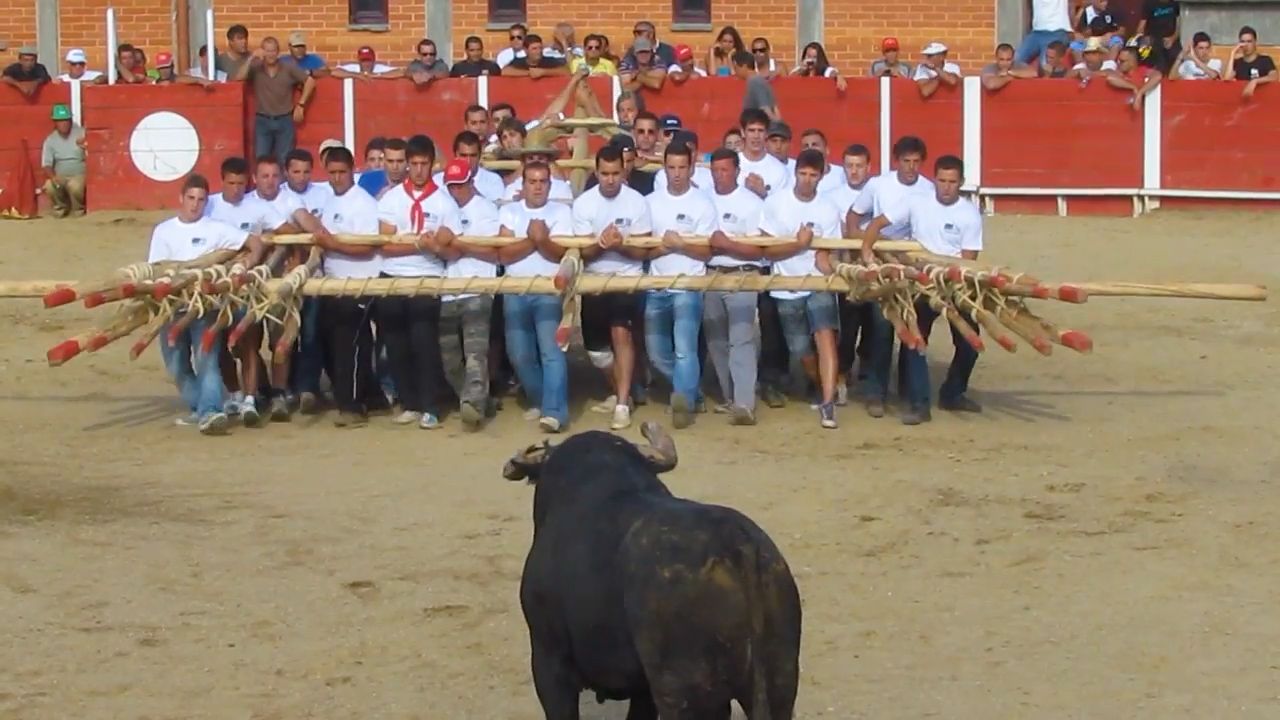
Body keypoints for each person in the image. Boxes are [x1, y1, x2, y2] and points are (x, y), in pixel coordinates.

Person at [864, 155, 984, 425]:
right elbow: (876, 224)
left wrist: (948, 283)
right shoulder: (917, 201)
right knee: (916, 341)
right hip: (919, 282)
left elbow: (968, 259)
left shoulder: (969, 213)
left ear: (961, 183)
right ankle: (919, 403)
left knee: (969, 345)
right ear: (935, 179)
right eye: (941, 180)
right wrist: (867, 251)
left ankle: (953, 392)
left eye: (952, 182)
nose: (946, 187)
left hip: (954, 283)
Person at [148, 173, 265, 435]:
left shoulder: (216, 228)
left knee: (207, 361)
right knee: (176, 366)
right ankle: (201, 407)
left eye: (201, 199)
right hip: (172, 307)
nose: (195, 204)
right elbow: (156, 268)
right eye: (190, 198)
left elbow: (254, 242)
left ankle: (211, 411)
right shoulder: (164, 231)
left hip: (205, 307)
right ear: (181, 198)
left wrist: (246, 264)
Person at [205, 156, 300, 425]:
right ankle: (237, 393)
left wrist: (294, 251)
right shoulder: (210, 205)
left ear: (248, 182)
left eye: (240, 183)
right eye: (230, 183)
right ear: (222, 180)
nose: (235, 188)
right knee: (223, 344)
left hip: (255, 284)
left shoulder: (257, 206)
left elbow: (288, 230)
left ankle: (260, 396)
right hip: (220, 284)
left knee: (251, 340)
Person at [851, 135, 935, 418]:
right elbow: (855, 216)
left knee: (915, 327)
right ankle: (876, 393)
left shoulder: (929, 190)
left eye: (916, 162)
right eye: (906, 161)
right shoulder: (878, 185)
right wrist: (864, 245)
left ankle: (909, 392)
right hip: (883, 265)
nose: (911, 167)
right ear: (896, 161)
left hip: (914, 269)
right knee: (882, 328)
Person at [375, 135, 455, 430]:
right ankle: (410, 402)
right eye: (414, 164)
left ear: (432, 165)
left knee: (424, 344)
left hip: (427, 277)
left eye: (424, 164)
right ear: (406, 165)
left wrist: (425, 245)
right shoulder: (391, 198)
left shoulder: (444, 201)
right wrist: (422, 245)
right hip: (393, 275)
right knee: (396, 344)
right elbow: (385, 245)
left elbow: (446, 243)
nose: (419, 170)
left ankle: (430, 405)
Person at [759, 149, 843, 429]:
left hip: (818, 282)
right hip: (786, 285)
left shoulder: (828, 208)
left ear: (821, 176)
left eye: (813, 175)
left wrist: (831, 265)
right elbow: (767, 250)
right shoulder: (776, 202)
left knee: (825, 337)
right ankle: (824, 386)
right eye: (803, 174)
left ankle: (829, 403)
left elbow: (828, 252)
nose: (807, 180)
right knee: (800, 350)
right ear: (795, 173)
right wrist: (798, 245)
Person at [573, 145, 653, 430]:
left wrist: (623, 244)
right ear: (596, 172)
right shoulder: (583, 204)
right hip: (594, 281)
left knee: (622, 335)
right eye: (604, 174)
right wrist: (601, 244)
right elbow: (582, 253)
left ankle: (621, 404)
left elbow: (643, 252)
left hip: (626, 279)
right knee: (597, 352)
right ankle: (625, 391)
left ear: (624, 171)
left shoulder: (637, 202)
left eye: (615, 173)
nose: (609, 179)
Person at [495, 162, 574, 433]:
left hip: (549, 291)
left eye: (542, 181)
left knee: (551, 352)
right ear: (523, 184)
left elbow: (562, 255)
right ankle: (543, 400)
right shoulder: (509, 211)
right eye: (532, 181)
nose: (537, 186)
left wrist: (541, 241)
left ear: (550, 185)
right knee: (519, 354)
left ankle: (555, 412)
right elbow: (503, 255)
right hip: (515, 290)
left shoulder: (562, 212)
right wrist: (535, 240)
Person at [309, 147, 384, 426]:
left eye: (342, 172)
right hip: (334, 283)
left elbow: (368, 246)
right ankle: (372, 397)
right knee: (335, 342)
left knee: (349, 344)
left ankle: (351, 405)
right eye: (333, 173)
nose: (338, 177)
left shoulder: (362, 204)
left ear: (353, 171)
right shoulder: (331, 202)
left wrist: (333, 245)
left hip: (358, 282)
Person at [644, 142, 717, 429]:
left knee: (685, 349)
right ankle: (692, 391)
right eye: (671, 167)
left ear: (691, 168)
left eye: (682, 167)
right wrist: (663, 249)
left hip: (689, 285)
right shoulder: (650, 202)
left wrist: (681, 244)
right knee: (656, 352)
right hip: (656, 285)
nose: (676, 173)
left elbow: (707, 252)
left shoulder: (702, 203)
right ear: (664, 168)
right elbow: (642, 250)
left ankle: (683, 402)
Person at [435, 158, 502, 430]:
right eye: (452, 186)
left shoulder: (486, 210)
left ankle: (473, 405)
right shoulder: (443, 208)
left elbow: (493, 251)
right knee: (448, 355)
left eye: (460, 185)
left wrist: (456, 242)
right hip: (448, 289)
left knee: (475, 352)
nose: (456, 191)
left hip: (478, 286)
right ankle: (474, 398)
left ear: (471, 182)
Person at [703, 148, 766, 425]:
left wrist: (727, 244)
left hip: (742, 274)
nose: (720, 175)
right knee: (716, 340)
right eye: (715, 170)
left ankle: (744, 403)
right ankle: (730, 396)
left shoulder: (751, 203)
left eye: (725, 170)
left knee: (740, 338)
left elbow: (759, 249)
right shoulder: (702, 200)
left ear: (737, 171)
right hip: (711, 274)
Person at [237, 36, 315, 166]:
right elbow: (238, 79)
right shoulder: (256, 67)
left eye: (273, 51)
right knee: (261, 160)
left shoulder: (288, 67)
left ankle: (283, 186)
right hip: (263, 119)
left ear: (278, 52)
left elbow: (310, 82)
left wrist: (301, 105)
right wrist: (251, 58)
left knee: (285, 160)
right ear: (262, 51)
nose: (270, 54)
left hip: (285, 119)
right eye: (267, 51)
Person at [41, 104, 87, 218]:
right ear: (55, 123)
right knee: (49, 185)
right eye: (60, 121)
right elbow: (46, 164)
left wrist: (86, 145)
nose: (63, 123)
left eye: (66, 120)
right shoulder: (51, 140)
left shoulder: (81, 134)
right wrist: (53, 177)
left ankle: (78, 209)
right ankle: (61, 207)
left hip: (79, 174)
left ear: (70, 121)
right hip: (60, 175)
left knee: (75, 186)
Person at [433, 131, 505, 201]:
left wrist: (473, 193)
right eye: (463, 156)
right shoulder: (438, 180)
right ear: (455, 155)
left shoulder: (493, 180)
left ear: (479, 156)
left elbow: (496, 209)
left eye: (473, 156)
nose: (468, 161)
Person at [738, 108, 790, 199]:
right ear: (742, 132)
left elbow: (781, 207)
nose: (756, 136)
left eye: (760, 130)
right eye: (751, 130)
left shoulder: (779, 170)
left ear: (767, 133)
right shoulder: (731, 165)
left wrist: (763, 194)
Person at [1224, 25, 1278, 98]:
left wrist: (1255, 81)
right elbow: (1227, 79)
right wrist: (1232, 53)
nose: (1246, 45)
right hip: (1244, 102)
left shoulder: (1265, 60)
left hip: (1263, 101)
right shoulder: (1238, 63)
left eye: (1249, 41)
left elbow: (1274, 77)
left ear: (1255, 43)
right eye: (1243, 42)